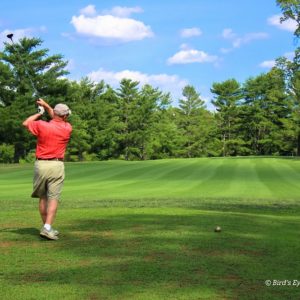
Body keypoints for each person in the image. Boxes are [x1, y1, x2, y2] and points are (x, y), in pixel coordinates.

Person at [23, 99, 72, 240]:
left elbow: (26, 123)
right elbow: (56, 117)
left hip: (40, 165)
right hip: (56, 165)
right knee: (53, 198)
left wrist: (39, 113)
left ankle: (46, 227)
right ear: (65, 116)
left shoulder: (41, 125)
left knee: (43, 197)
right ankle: (47, 227)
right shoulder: (67, 128)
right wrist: (46, 105)